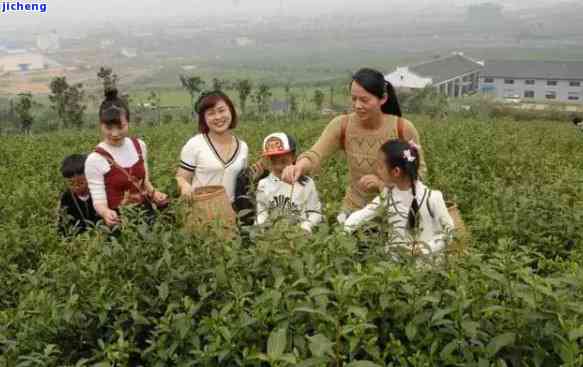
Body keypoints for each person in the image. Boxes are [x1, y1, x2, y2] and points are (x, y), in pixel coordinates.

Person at [281, 67, 426, 223]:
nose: (357, 105)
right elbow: (316, 154)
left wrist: (382, 185)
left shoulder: (402, 128)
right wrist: (298, 167)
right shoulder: (342, 125)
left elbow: (420, 174)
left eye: (364, 100)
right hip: (353, 209)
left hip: (394, 211)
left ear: (383, 98)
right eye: (354, 99)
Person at [344, 139, 453, 255]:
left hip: (425, 267)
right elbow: (363, 215)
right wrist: (342, 231)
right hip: (395, 266)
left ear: (396, 171)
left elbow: (449, 234)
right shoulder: (388, 196)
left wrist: (425, 249)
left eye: (380, 167)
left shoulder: (432, 198)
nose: (377, 170)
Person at [85, 89, 168, 226]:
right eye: (109, 128)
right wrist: (105, 212)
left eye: (120, 127)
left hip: (146, 215)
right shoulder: (95, 159)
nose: (115, 133)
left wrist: (155, 194)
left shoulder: (139, 146)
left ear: (128, 123)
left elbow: (144, 182)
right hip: (119, 220)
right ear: (101, 125)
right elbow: (98, 200)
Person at [176, 91, 249, 208]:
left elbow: (243, 182)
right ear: (203, 119)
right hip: (202, 210)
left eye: (221, 110)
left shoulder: (243, 147)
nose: (218, 117)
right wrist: (184, 186)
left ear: (230, 111)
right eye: (211, 113)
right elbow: (180, 177)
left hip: (232, 212)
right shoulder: (195, 144)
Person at [256, 132, 322, 233]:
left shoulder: (306, 183)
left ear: (293, 157)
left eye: (283, 161)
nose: (278, 166)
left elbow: (315, 213)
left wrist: (306, 227)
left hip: (299, 237)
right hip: (272, 238)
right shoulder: (263, 184)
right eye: (274, 162)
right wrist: (261, 226)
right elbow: (261, 212)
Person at [58, 154, 98, 235]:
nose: (77, 187)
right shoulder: (67, 197)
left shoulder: (99, 193)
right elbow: (63, 222)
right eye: (71, 183)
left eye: (81, 183)